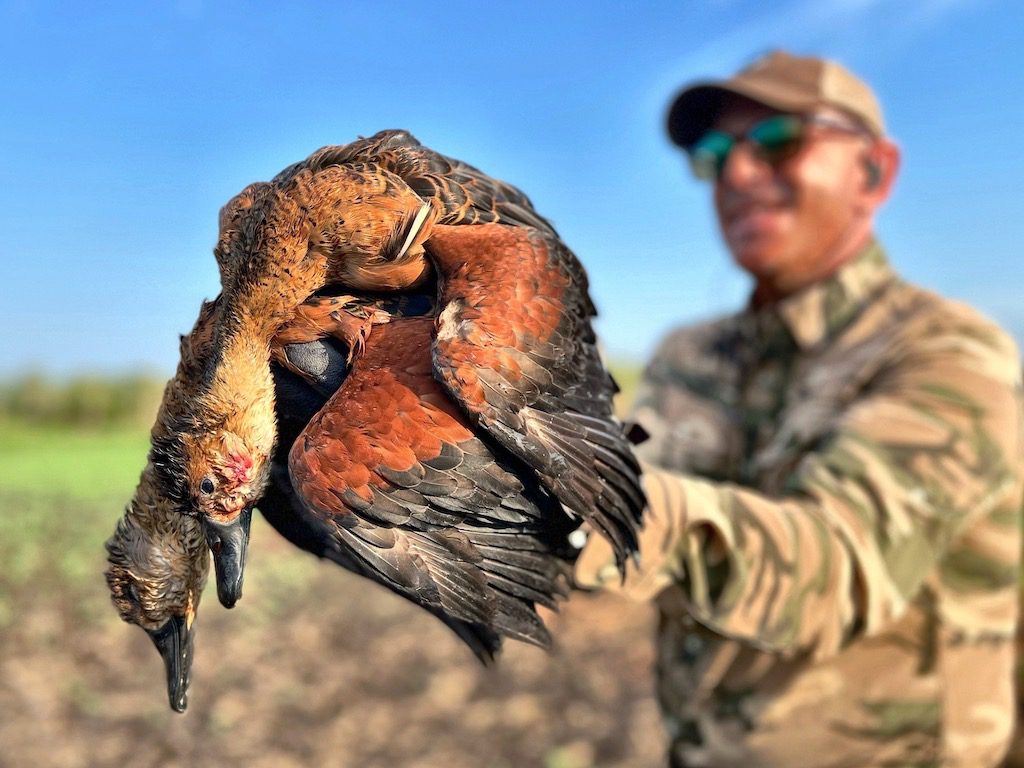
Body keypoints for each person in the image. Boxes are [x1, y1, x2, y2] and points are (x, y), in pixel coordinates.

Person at [576, 50, 1024, 767]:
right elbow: (626, 527)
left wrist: (559, 494)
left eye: (779, 141)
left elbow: (838, 564)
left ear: (875, 171)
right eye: (714, 156)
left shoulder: (950, 356)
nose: (738, 174)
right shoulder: (688, 356)